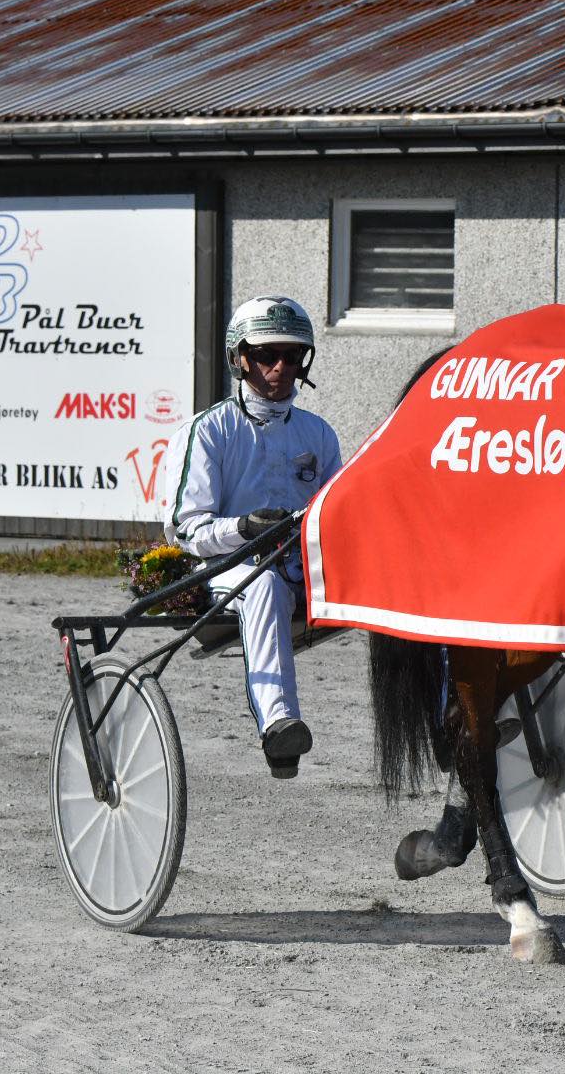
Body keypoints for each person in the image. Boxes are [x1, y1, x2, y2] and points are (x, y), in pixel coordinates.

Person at [163, 296, 342, 779]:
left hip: (303, 573)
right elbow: (186, 530)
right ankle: (279, 726)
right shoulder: (207, 432)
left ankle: (453, 710)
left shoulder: (320, 435)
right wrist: (242, 528)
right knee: (262, 583)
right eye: (267, 355)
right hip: (228, 573)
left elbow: (335, 520)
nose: (281, 367)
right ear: (238, 358)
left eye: (291, 355)